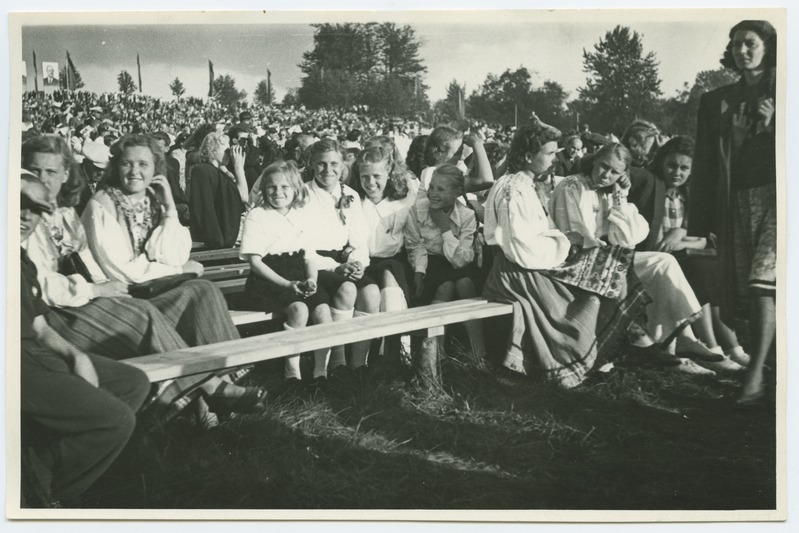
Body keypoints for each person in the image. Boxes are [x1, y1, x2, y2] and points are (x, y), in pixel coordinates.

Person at [80, 134, 267, 416]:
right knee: (192, 290)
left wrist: (169, 208)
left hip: (147, 290)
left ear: (156, 167)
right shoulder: (102, 204)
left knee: (202, 291)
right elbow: (120, 269)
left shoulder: (152, 200)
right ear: (115, 166)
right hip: (118, 299)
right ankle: (217, 392)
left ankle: (220, 390)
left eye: (143, 164)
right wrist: (179, 271)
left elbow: (175, 254)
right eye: (127, 164)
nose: (135, 171)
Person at [482, 121, 651, 388]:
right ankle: (578, 360)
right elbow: (520, 248)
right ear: (528, 156)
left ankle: (605, 351)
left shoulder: (526, 185)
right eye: (549, 154)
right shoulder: (512, 188)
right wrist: (566, 241)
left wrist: (563, 242)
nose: (554, 160)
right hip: (516, 273)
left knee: (613, 267)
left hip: (532, 265)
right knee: (587, 293)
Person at [550, 142, 742, 374]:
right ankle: (666, 347)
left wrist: (620, 196)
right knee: (642, 262)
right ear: (595, 160)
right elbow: (577, 235)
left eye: (614, 172)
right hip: (573, 261)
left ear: (622, 175)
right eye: (603, 167)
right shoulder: (573, 186)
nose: (606, 175)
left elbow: (626, 238)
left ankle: (683, 338)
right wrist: (609, 248)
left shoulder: (612, 191)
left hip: (605, 258)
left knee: (664, 261)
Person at [20, 173, 150, 507]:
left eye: (36, 209)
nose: (25, 216)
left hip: (32, 352)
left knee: (132, 381)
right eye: (18, 204)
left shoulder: (20, 260)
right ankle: (41, 492)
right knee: (115, 420)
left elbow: (39, 326)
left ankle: (43, 464)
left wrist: (76, 356)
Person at [688, 20, 777, 403]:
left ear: (768, 46)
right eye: (737, 44)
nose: (743, 50)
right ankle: (767, 373)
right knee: (747, 293)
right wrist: (705, 222)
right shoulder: (716, 101)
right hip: (737, 200)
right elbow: (707, 163)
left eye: (751, 43)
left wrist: (776, 126)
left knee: (763, 284)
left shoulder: (787, 89)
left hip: (781, 200)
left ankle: (755, 377)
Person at [644, 136, 749, 366]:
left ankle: (733, 348)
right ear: (661, 162)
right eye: (672, 165)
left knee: (710, 269)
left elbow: (703, 241)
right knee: (701, 270)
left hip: (682, 255)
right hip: (656, 260)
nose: (677, 173)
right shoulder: (652, 187)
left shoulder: (688, 196)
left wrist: (681, 236)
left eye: (684, 168)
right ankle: (712, 347)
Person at [239, 160, 332, 386]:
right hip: (268, 278)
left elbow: (309, 257)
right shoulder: (258, 215)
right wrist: (287, 285)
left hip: (299, 274)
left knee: (322, 311)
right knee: (299, 310)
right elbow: (255, 263)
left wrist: (312, 280)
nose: (278, 192)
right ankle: (293, 375)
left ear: (296, 189)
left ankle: (321, 373)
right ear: (263, 189)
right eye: (271, 187)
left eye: (284, 187)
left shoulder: (301, 215)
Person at [303, 139, 380, 376]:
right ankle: (337, 361)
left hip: (345, 260)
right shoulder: (302, 194)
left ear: (343, 165)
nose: (328, 170)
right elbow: (302, 244)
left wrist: (357, 262)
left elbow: (359, 239)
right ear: (312, 165)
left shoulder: (351, 195)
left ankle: (359, 363)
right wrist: (335, 267)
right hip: (314, 263)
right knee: (347, 290)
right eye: (322, 164)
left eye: (334, 163)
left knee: (371, 292)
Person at [405, 164, 486, 359]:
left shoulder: (466, 216)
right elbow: (415, 245)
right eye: (431, 187)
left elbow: (462, 259)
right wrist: (419, 270)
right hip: (428, 261)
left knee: (465, 284)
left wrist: (445, 229)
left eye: (441, 189)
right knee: (445, 287)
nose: (433, 193)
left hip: (456, 261)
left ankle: (479, 352)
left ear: (457, 192)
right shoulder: (418, 209)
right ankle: (436, 355)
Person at [352, 145, 416, 360]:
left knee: (391, 283)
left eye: (377, 176)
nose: (371, 183)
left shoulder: (402, 202)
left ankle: (395, 349)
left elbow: (414, 239)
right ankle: (369, 355)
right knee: (371, 292)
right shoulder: (354, 202)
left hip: (393, 260)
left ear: (389, 173)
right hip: (363, 261)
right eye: (364, 176)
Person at [188, 131, 248, 249]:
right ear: (213, 149)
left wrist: (239, 168)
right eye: (226, 151)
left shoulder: (221, 174)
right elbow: (205, 209)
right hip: (212, 241)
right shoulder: (202, 170)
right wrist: (216, 241)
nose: (229, 155)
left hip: (223, 239)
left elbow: (243, 197)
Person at [419, 125, 493, 193]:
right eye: (457, 154)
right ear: (439, 154)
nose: (461, 158)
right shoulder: (432, 173)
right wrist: (477, 144)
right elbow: (486, 181)